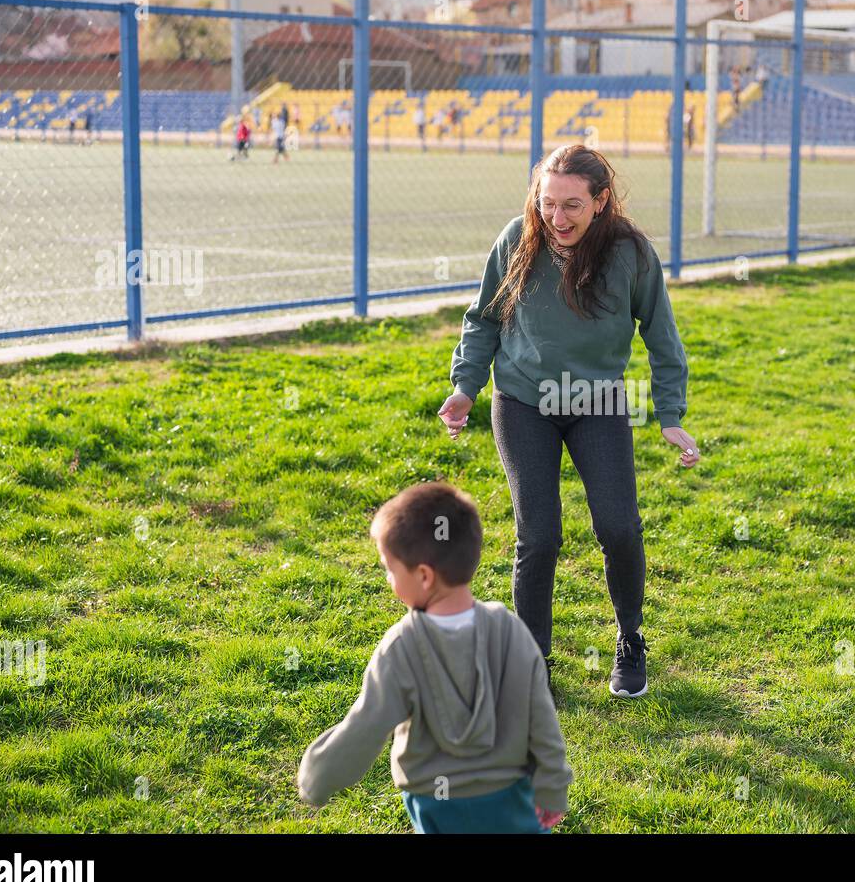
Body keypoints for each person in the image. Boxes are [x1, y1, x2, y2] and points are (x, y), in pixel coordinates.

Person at [441, 144, 698, 700]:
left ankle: (630, 640)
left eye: (573, 206)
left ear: (601, 201)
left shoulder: (630, 253)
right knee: (540, 535)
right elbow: (484, 317)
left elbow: (662, 336)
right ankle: (532, 665)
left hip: (597, 401)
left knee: (619, 527)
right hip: (524, 401)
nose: (557, 219)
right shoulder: (518, 238)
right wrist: (465, 386)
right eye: (547, 203)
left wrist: (670, 414)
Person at [297, 482, 573, 834]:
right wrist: (551, 787)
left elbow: (366, 726)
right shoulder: (510, 630)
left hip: (439, 802)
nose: (388, 579)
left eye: (390, 569)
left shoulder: (403, 645)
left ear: (424, 576)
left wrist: (317, 776)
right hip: (510, 796)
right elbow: (541, 715)